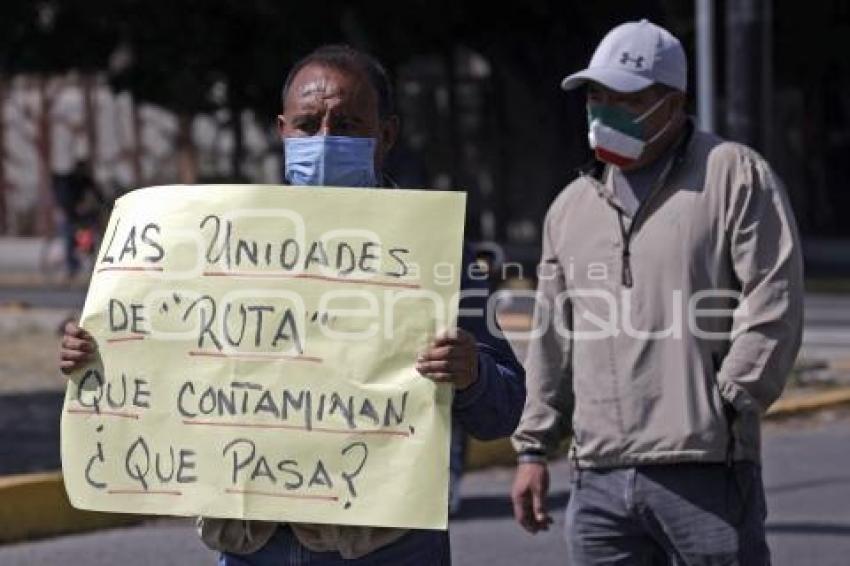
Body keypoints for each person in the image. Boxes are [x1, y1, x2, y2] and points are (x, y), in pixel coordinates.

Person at [59, 45, 525, 565]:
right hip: (253, 549)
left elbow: (503, 411)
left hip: (387, 550)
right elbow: (157, 363)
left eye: (347, 124)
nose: (325, 140)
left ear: (386, 135)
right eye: (308, 124)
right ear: (282, 130)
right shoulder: (216, 247)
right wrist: (95, 356)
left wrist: (472, 375)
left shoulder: (433, 253)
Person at [510, 20, 802, 565]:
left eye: (627, 97)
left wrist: (732, 400)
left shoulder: (734, 176)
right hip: (597, 479)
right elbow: (553, 339)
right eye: (597, 95)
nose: (604, 109)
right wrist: (533, 448)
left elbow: (774, 298)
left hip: (704, 470)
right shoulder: (570, 207)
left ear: (673, 103)